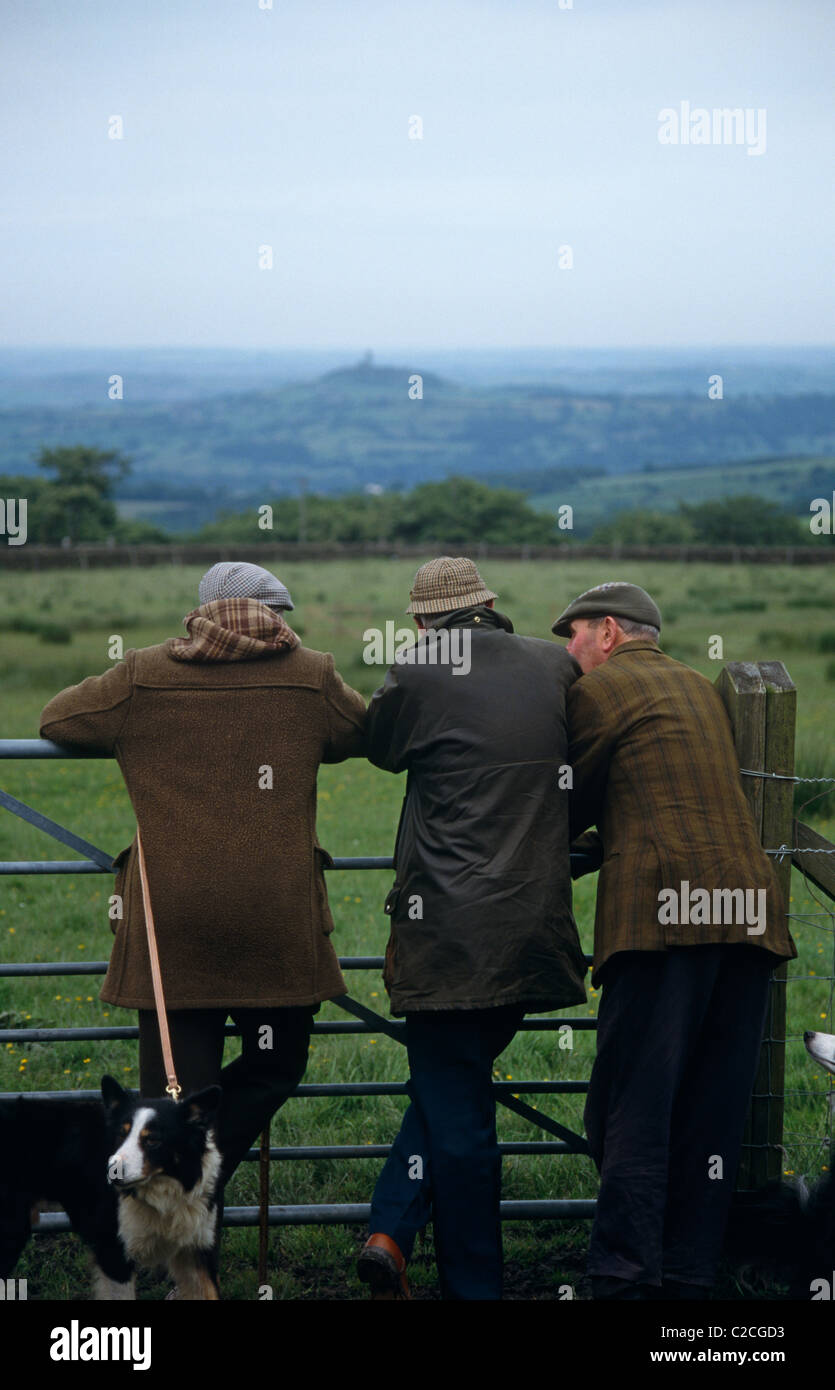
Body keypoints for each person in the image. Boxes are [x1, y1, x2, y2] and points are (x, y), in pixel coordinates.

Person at [39, 561, 366, 1258]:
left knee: (173, 1094)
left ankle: (186, 1186)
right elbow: (358, 733)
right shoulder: (312, 673)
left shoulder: (140, 675)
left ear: (202, 613)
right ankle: (198, 1174)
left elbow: (57, 718)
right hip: (274, 920)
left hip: (170, 925)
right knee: (275, 1066)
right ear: (276, 613)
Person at [553, 581, 797, 1300]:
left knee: (632, 1109)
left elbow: (564, 804)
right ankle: (687, 1277)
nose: (568, 654)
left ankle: (622, 1280)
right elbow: (660, 793)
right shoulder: (694, 686)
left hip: (665, 916)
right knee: (709, 1112)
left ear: (606, 631)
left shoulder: (602, 692)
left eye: (571, 636)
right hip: (746, 914)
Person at [356, 556, 587, 1300]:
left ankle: (471, 1286)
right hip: (530, 928)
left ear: (424, 621)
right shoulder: (554, 666)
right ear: (490, 605)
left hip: (446, 934)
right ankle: (390, 1230)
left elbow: (381, 748)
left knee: (456, 1113)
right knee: (451, 1088)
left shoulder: (417, 670)